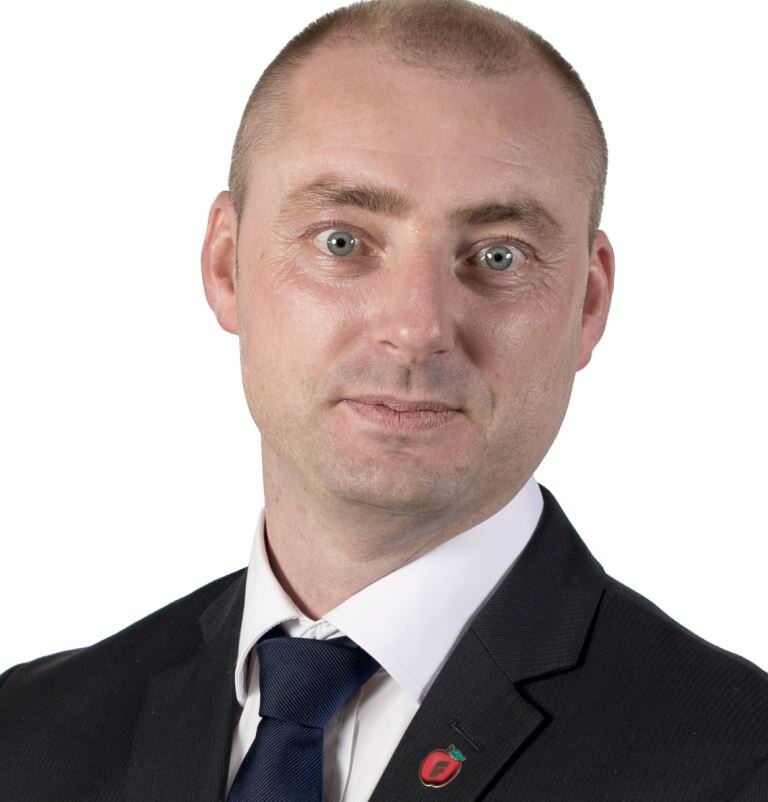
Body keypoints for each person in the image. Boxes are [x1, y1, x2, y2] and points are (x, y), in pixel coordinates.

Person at [1, 0, 766, 799]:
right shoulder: (26, 736)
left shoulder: (740, 765)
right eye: (342, 241)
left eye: (499, 256)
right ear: (226, 265)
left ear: (589, 304)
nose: (417, 329)